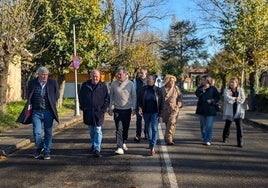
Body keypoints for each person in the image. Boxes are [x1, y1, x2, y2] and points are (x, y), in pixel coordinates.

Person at [17, 66, 59, 160]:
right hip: (36, 111)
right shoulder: (32, 83)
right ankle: (39, 147)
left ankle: (47, 151)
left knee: (48, 132)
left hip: (48, 111)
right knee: (37, 132)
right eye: (42, 74)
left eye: (46, 74)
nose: (44, 76)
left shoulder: (53, 83)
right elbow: (29, 95)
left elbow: (57, 95)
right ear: (38, 75)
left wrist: (52, 102)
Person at [78, 69, 110, 157]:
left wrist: (103, 109)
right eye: (94, 76)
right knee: (91, 130)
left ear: (99, 77)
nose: (95, 78)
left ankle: (97, 148)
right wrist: (83, 107)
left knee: (98, 130)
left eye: (97, 76)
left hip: (98, 113)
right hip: (88, 112)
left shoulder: (103, 86)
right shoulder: (85, 85)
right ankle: (94, 143)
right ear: (91, 76)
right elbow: (81, 97)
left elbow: (107, 99)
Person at [108, 66, 136, 155]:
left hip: (127, 109)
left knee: (125, 128)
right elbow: (111, 96)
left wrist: (134, 108)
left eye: (120, 74)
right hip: (117, 109)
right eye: (118, 74)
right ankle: (119, 147)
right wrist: (110, 108)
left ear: (125, 74)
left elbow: (134, 96)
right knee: (118, 128)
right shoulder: (113, 84)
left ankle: (124, 142)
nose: (119, 76)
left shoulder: (130, 84)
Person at [138, 75, 163, 155]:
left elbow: (161, 103)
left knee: (154, 128)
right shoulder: (142, 90)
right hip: (146, 112)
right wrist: (139, 108)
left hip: (155, 112)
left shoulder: (158, 90)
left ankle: (152, 147)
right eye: (147, 79)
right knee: (148, 129)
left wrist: (161, 114)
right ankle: (151, 141)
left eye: (150, 79)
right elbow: (139, 101)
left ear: (154, 80)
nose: (148, 80)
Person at [195, 75, 220, 146]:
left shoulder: (213, 88)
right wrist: (202, 91)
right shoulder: (200, 88)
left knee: (209, 126)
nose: (202, 81)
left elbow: (217, 97)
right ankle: (204, 137)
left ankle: (208, 140)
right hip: (201, 109)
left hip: (210, 109)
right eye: (201, 80)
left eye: (203, 80)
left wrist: (212, 100)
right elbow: (196, 94)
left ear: (207, 80)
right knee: (203, 126)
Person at [222, 77, 246, 147]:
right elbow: (226, 98)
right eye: (230, 82)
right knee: (228, 125)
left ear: (236, 83)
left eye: (233, 82)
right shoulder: (227, 90)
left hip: (238, 110)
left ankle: (240, 142)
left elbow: (243, 98)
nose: (231, 83)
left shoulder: (240, 90)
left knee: (239, 127)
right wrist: (235, 98)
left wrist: (236, 100)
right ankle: (225, 137)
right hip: (230, 110)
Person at [161, 75, 183, 145]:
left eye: (173, 81)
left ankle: (168, 139)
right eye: (171, 81)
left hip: (174, 109)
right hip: (165, 109)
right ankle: (170, 137)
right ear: (167, 81)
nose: (172, 82)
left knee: (172, 122)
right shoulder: (162, 89)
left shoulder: (176, 88)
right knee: (168, 124)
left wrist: (179, 103)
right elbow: (159, 99)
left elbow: (180, 97)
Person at [133, 67, 148, 142]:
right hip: (138, 103)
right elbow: (134, 92)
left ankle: (146, 133)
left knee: (146, 120)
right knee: (138, 120)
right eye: (140, 73)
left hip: (147, 104)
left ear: (146, 73)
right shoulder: (136, 81)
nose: (141, 74)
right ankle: (138, 135)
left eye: (142, 73)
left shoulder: (149, 80)